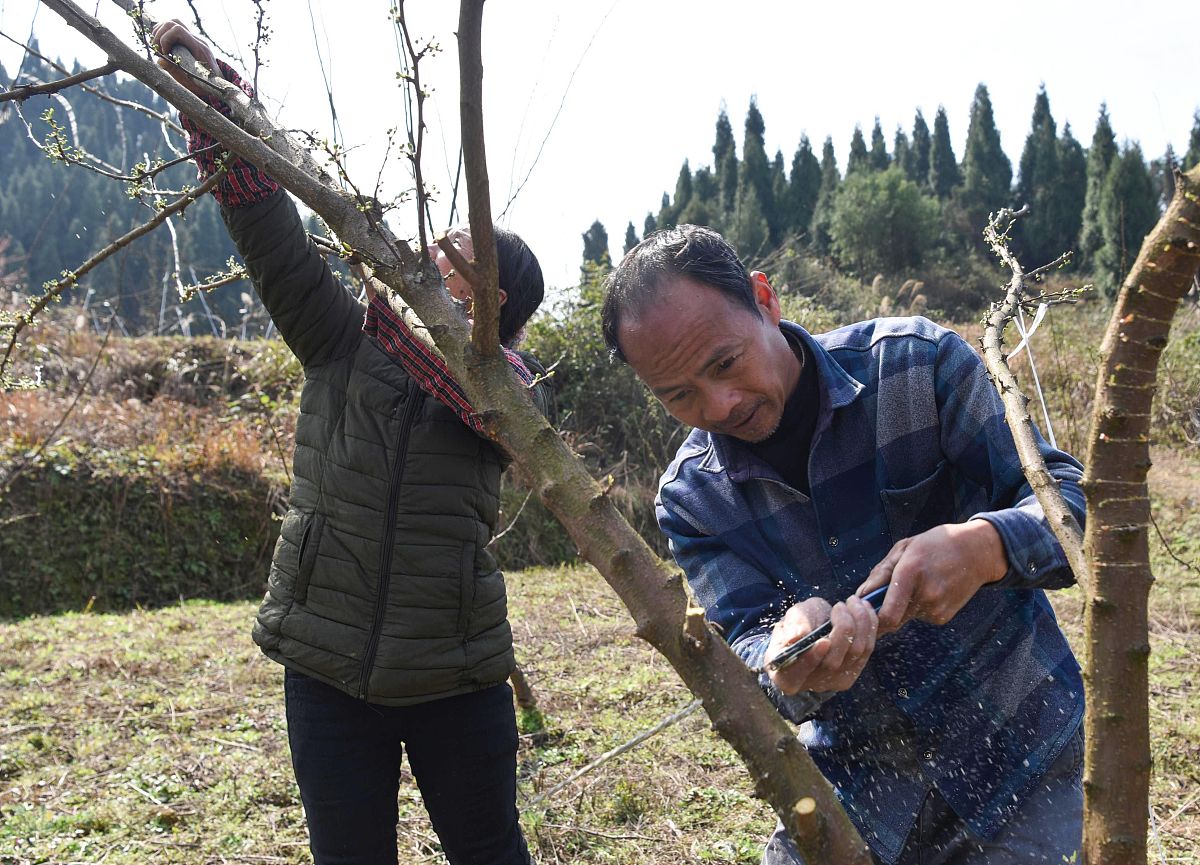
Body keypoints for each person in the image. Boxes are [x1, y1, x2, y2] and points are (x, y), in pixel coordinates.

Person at [152, 21, 546, 865]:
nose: (421, 256)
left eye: (448, 257)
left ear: (489, 297)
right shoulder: (344, 340)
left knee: (489, 850)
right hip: (327, 668)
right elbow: (272, 239)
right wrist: (222, 109)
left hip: (457, 673)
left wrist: (391, 303)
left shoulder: (510, 391)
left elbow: (476, 394)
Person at [601, 224, 1086, 865]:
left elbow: (1075, 512)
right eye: (678, 395)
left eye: (725, 364)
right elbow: (746, 649)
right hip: (860, 786)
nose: (720, 405)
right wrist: (785, 652)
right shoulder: (693, 501)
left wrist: (985, 546)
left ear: (764, 301)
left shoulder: (916, 367)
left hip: (1022, 749)